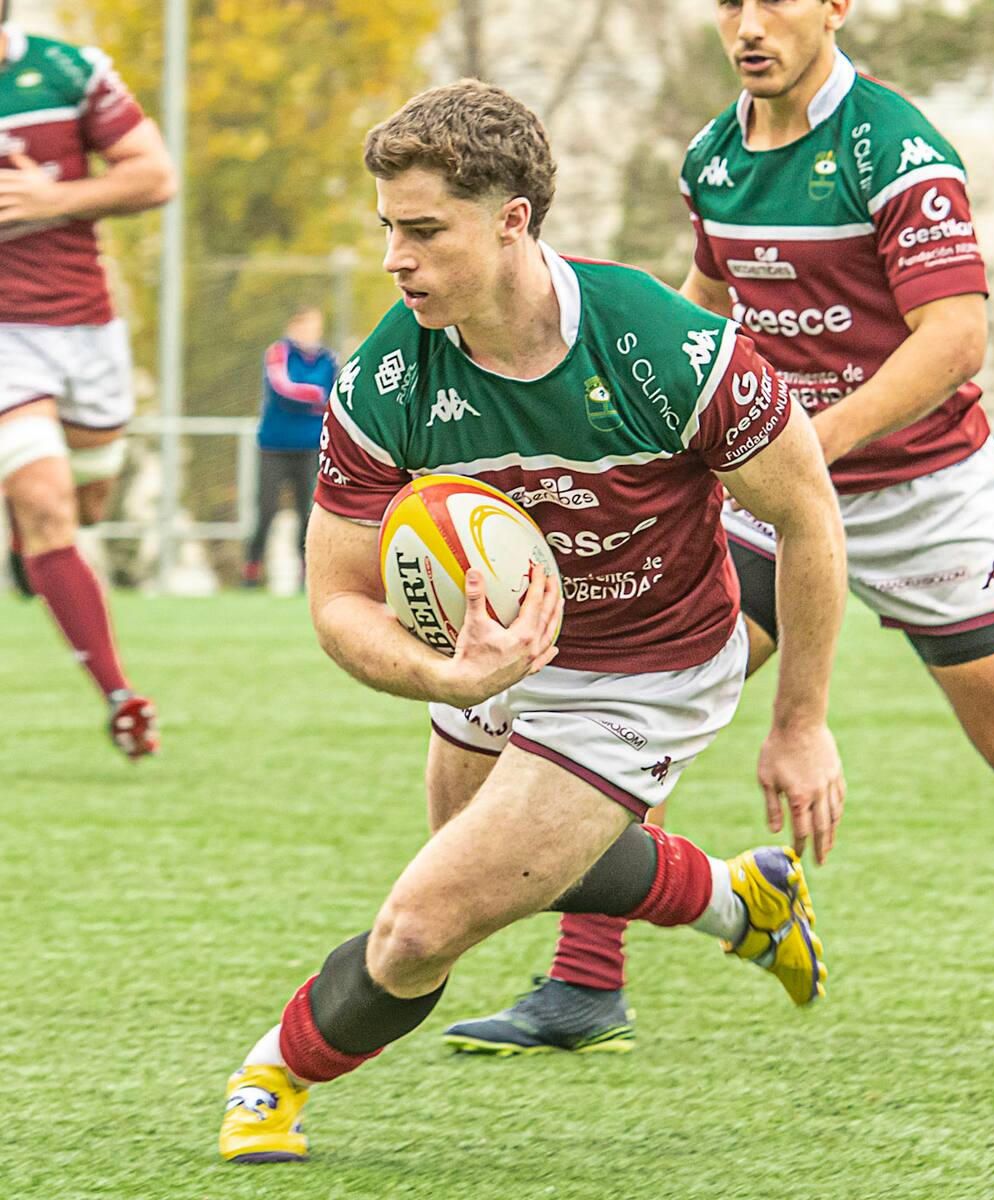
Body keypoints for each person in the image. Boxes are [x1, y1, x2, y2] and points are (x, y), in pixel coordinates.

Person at [442, 0, 994, 1056]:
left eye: (778, 0)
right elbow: (699, 312)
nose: (751, 24)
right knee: (628, 701)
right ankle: (583, 984)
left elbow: (960, 337)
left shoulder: (895, 149)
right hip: (771, 506)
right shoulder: (713, 155)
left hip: (927, 500)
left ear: (838, 6)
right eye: (731, 3)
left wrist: (811, 445)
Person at [217, 80, 847, 1164]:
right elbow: (338, 602)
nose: (393, 261)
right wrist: (449, 677)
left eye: (423, 231)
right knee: (490, 869)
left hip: (648, 671)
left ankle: (272, 1076)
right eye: (387, 231)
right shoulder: (383, 382)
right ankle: (742, 906)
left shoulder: (664, 348)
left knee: (424, 925)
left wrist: (800, 721)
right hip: (495, 653)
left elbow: (808, 518)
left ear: (512, 221)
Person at [0, 11, 173, 757]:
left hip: (87, 331)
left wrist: (51, 201)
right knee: (46, 508)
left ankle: (32, 548)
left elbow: (154, 174)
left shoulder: (71, 70)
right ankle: (121, 695)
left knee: (83, 506)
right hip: (7, 341)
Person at [241, 306, 338, 588]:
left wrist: (317, 399)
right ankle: (251, 570)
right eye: (305, 326)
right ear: (293, 327)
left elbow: (336, 393)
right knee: (267, 508)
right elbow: (282, 388)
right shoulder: (279, 353)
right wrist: (316, 396)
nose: (311, 332)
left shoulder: (328, 359)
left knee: (308, 511)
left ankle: (306, 573)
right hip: (275, 446)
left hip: (311, 447)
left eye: (315, 326)